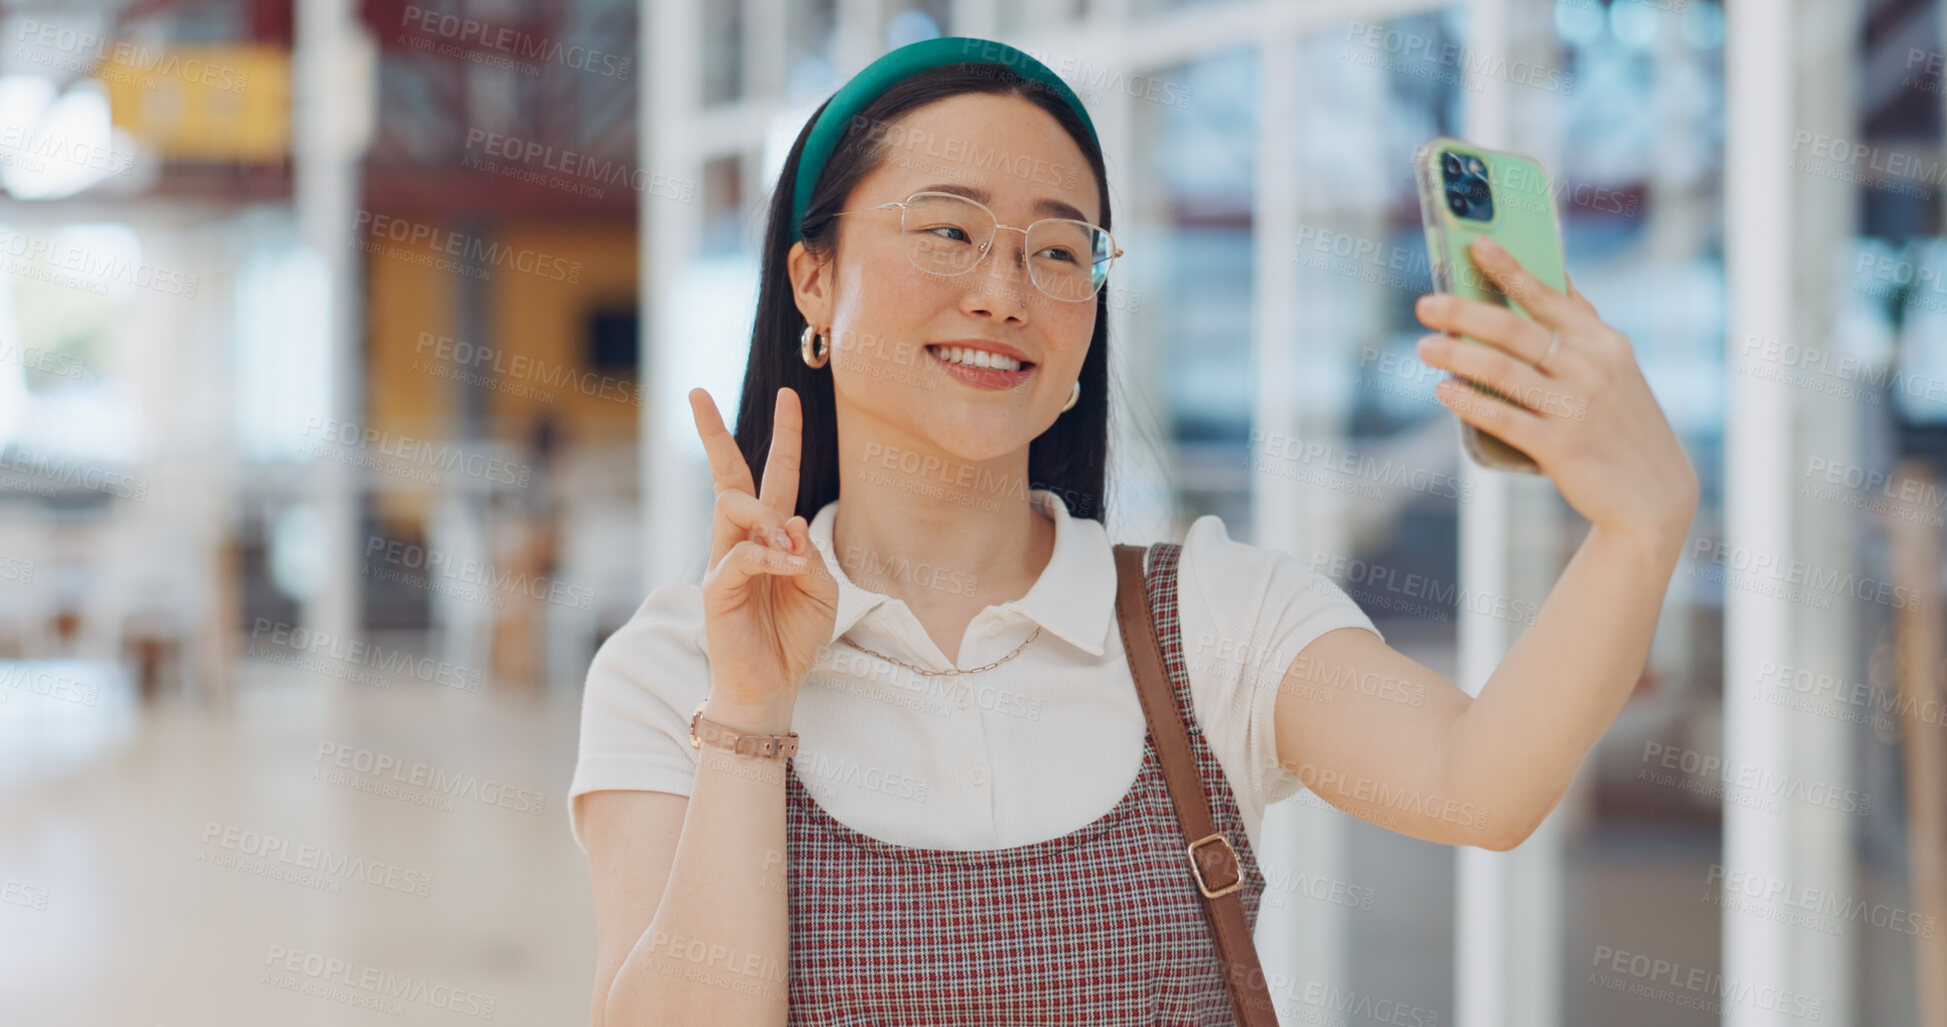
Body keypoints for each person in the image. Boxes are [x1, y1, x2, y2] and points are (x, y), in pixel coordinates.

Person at [569, 36, 1698, 1027]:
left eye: (1058, 252)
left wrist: (1640, 528)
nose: (1004, 290)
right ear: (813, 281)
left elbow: (1478, 782)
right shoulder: (675, 672)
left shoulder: (1209, 620)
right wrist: (753, 713)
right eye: (949, 231)